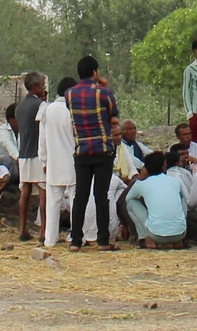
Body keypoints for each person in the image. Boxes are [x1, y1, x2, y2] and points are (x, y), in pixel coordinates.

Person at [67, 55, 119, 249]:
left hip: (81, 150)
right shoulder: (104, 93)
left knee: (80, 196)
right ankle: (103, 240)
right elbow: (114, 114)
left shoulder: (69, 94)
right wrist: (104, 85)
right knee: (101, 195)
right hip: (103, 149)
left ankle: (75, 241)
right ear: (95, 72)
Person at [38, 77, 78, 250]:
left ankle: (50, 239)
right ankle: (75, 236)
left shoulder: (47, 109)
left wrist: (44, 160)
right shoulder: (74, 110)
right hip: (73, 163)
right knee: (76, 202)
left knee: (52, 203)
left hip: (53, 163)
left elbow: (43, 139)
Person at [125, 153, 190, 249]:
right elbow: (184, 199)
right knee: (183, 199)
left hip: (156, 235)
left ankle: (145, 238)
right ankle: (178, 239)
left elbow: (128, 198)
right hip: (181, 233)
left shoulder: (142, 184)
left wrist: (140, 179)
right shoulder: (174, 181)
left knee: (131, 203)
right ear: (164, 166)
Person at [15, 72, 48, 242]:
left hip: (23, 153)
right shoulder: (41, 106)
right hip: (38, 153)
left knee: (25, 191)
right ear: (35, 86)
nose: (44, 88)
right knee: (43, 192)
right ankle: (43, 232)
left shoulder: (19, 107)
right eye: (42, 84)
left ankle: (22, 229)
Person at [0, 102, 22, 169]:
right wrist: (21, 160)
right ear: (11, 119)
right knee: (11, 159)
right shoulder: (2, 130)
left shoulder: (23, 130)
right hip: (1, 164)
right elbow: (10, 147)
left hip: (17, 164)